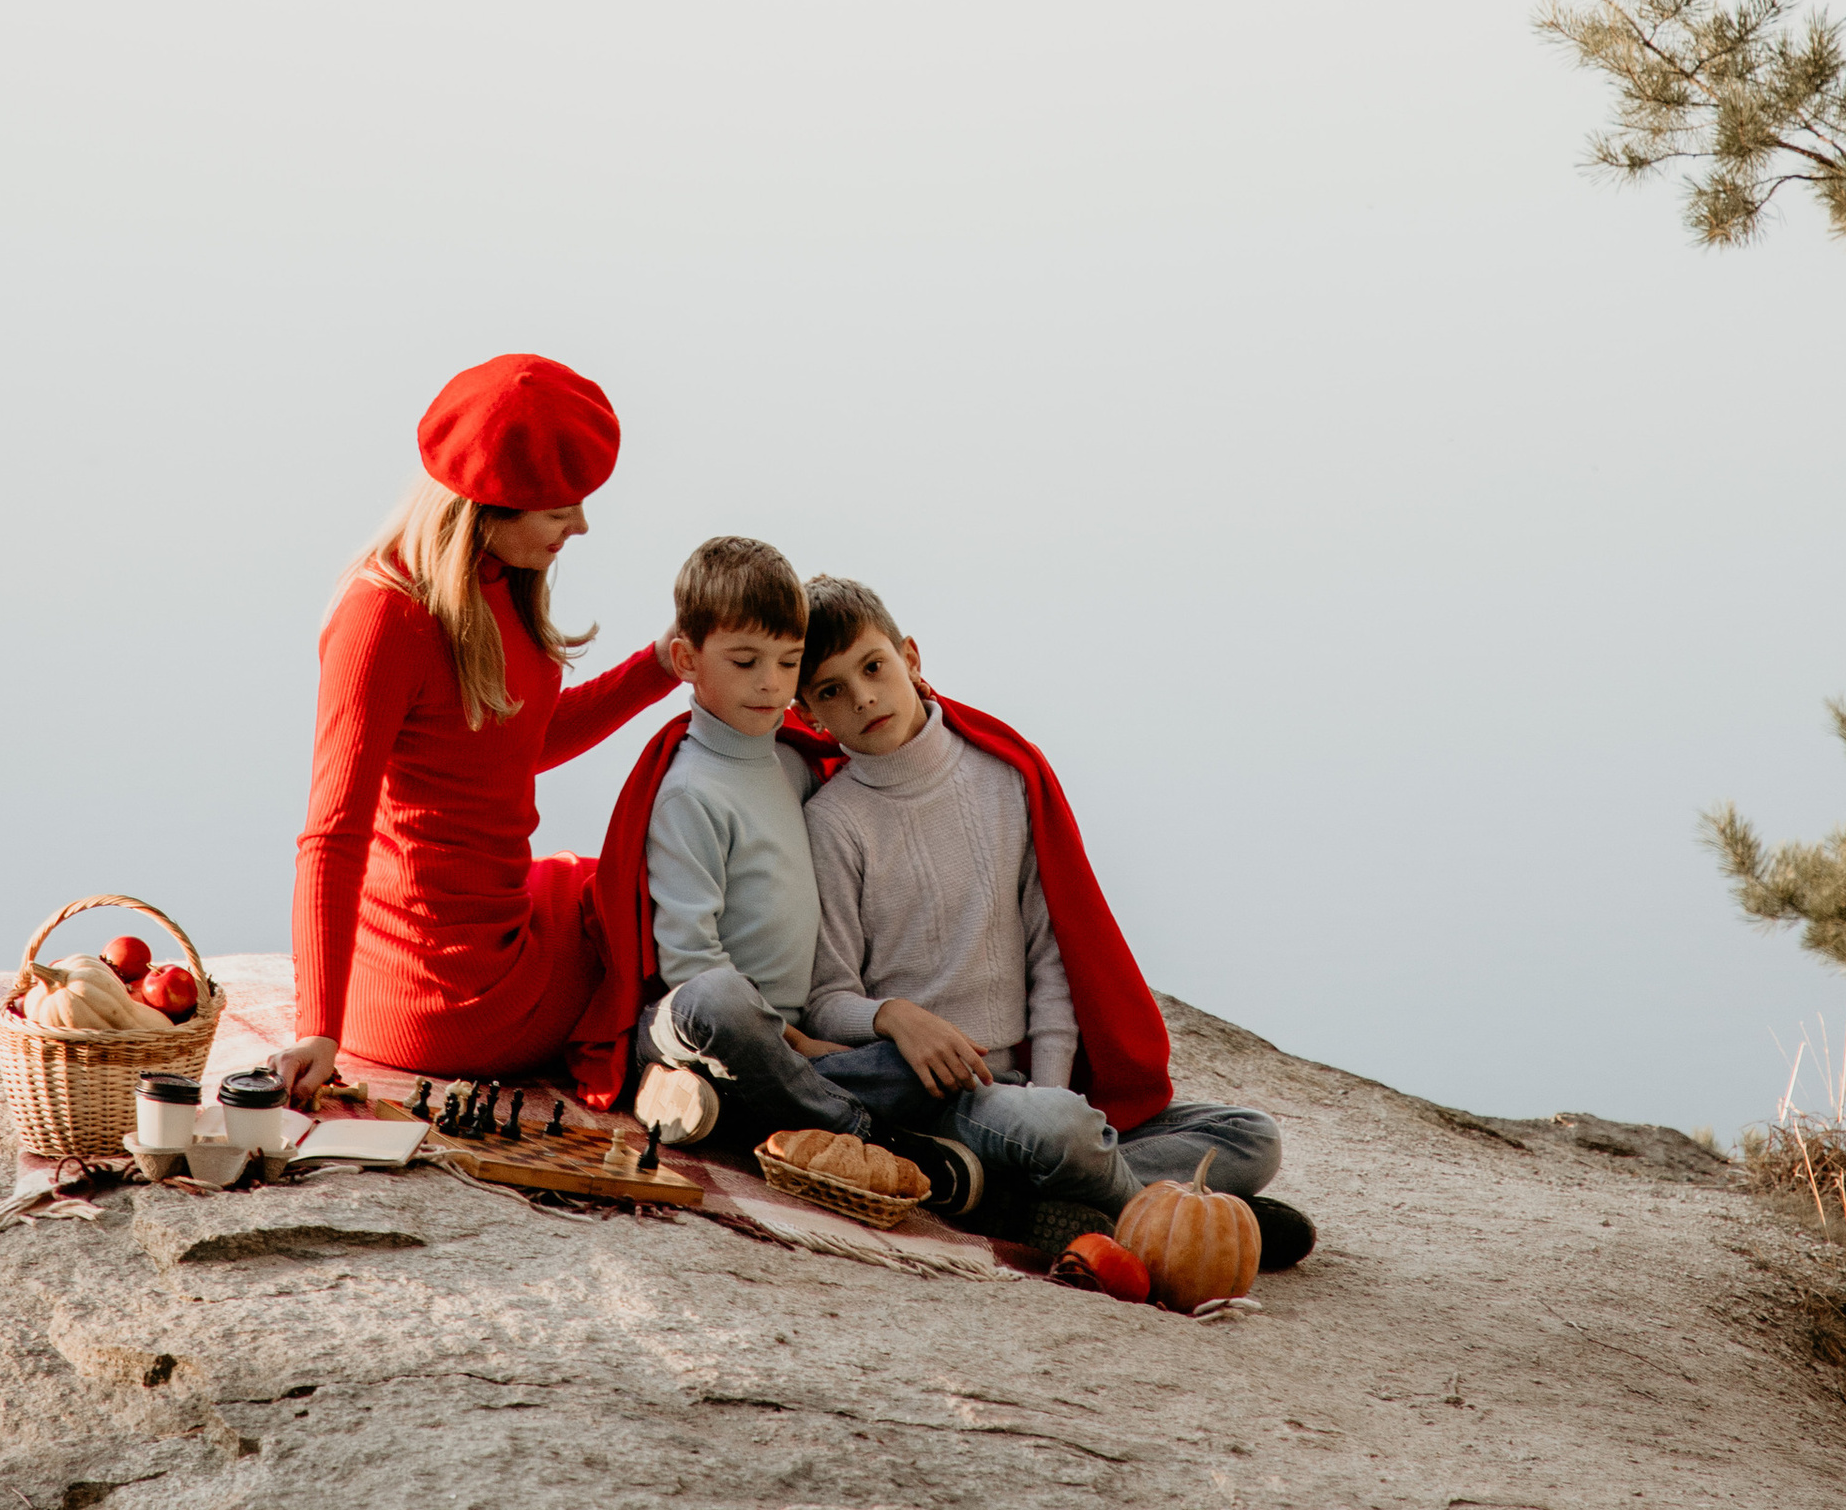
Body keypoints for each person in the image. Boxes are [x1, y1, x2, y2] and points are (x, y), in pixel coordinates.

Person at [794, 574, 1315, 1263]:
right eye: (831, 690)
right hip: (950, 1096)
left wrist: (1049, 1088)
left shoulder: (1002, 777)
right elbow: (826, 1001)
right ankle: (1159, 1218)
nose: (862, 697)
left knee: (1252, 1137)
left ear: (911, 659)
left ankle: (1051, 1200)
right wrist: (893, 1016)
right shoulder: (834, 824)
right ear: (809, 715)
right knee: (1062, 1132)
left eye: (872, 667)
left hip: (1035, 1094)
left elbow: (1053, 956)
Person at [274, 354, 674, 1106]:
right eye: (561, 510)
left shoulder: (497, 580)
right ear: (488, 508)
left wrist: (660, 664)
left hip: (454, 955)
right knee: (652, 898)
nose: (581, 526)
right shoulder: (383, 616)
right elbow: (332, 833)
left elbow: (512, 748)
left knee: (602, 883)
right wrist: (317, 1028)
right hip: (453, 1000)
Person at [604, 535, 883, 1150]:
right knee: (722, 1000)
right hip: (704, 1023)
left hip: (792, 1034)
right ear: (686, 660)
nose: (771, 685)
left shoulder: (795, 767)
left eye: (789, 663)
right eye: (745, 661)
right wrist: (795, 1045)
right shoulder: (689, 791)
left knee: (916, 1065)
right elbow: (688, 961)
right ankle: (857, 1129)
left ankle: (744, 1105)